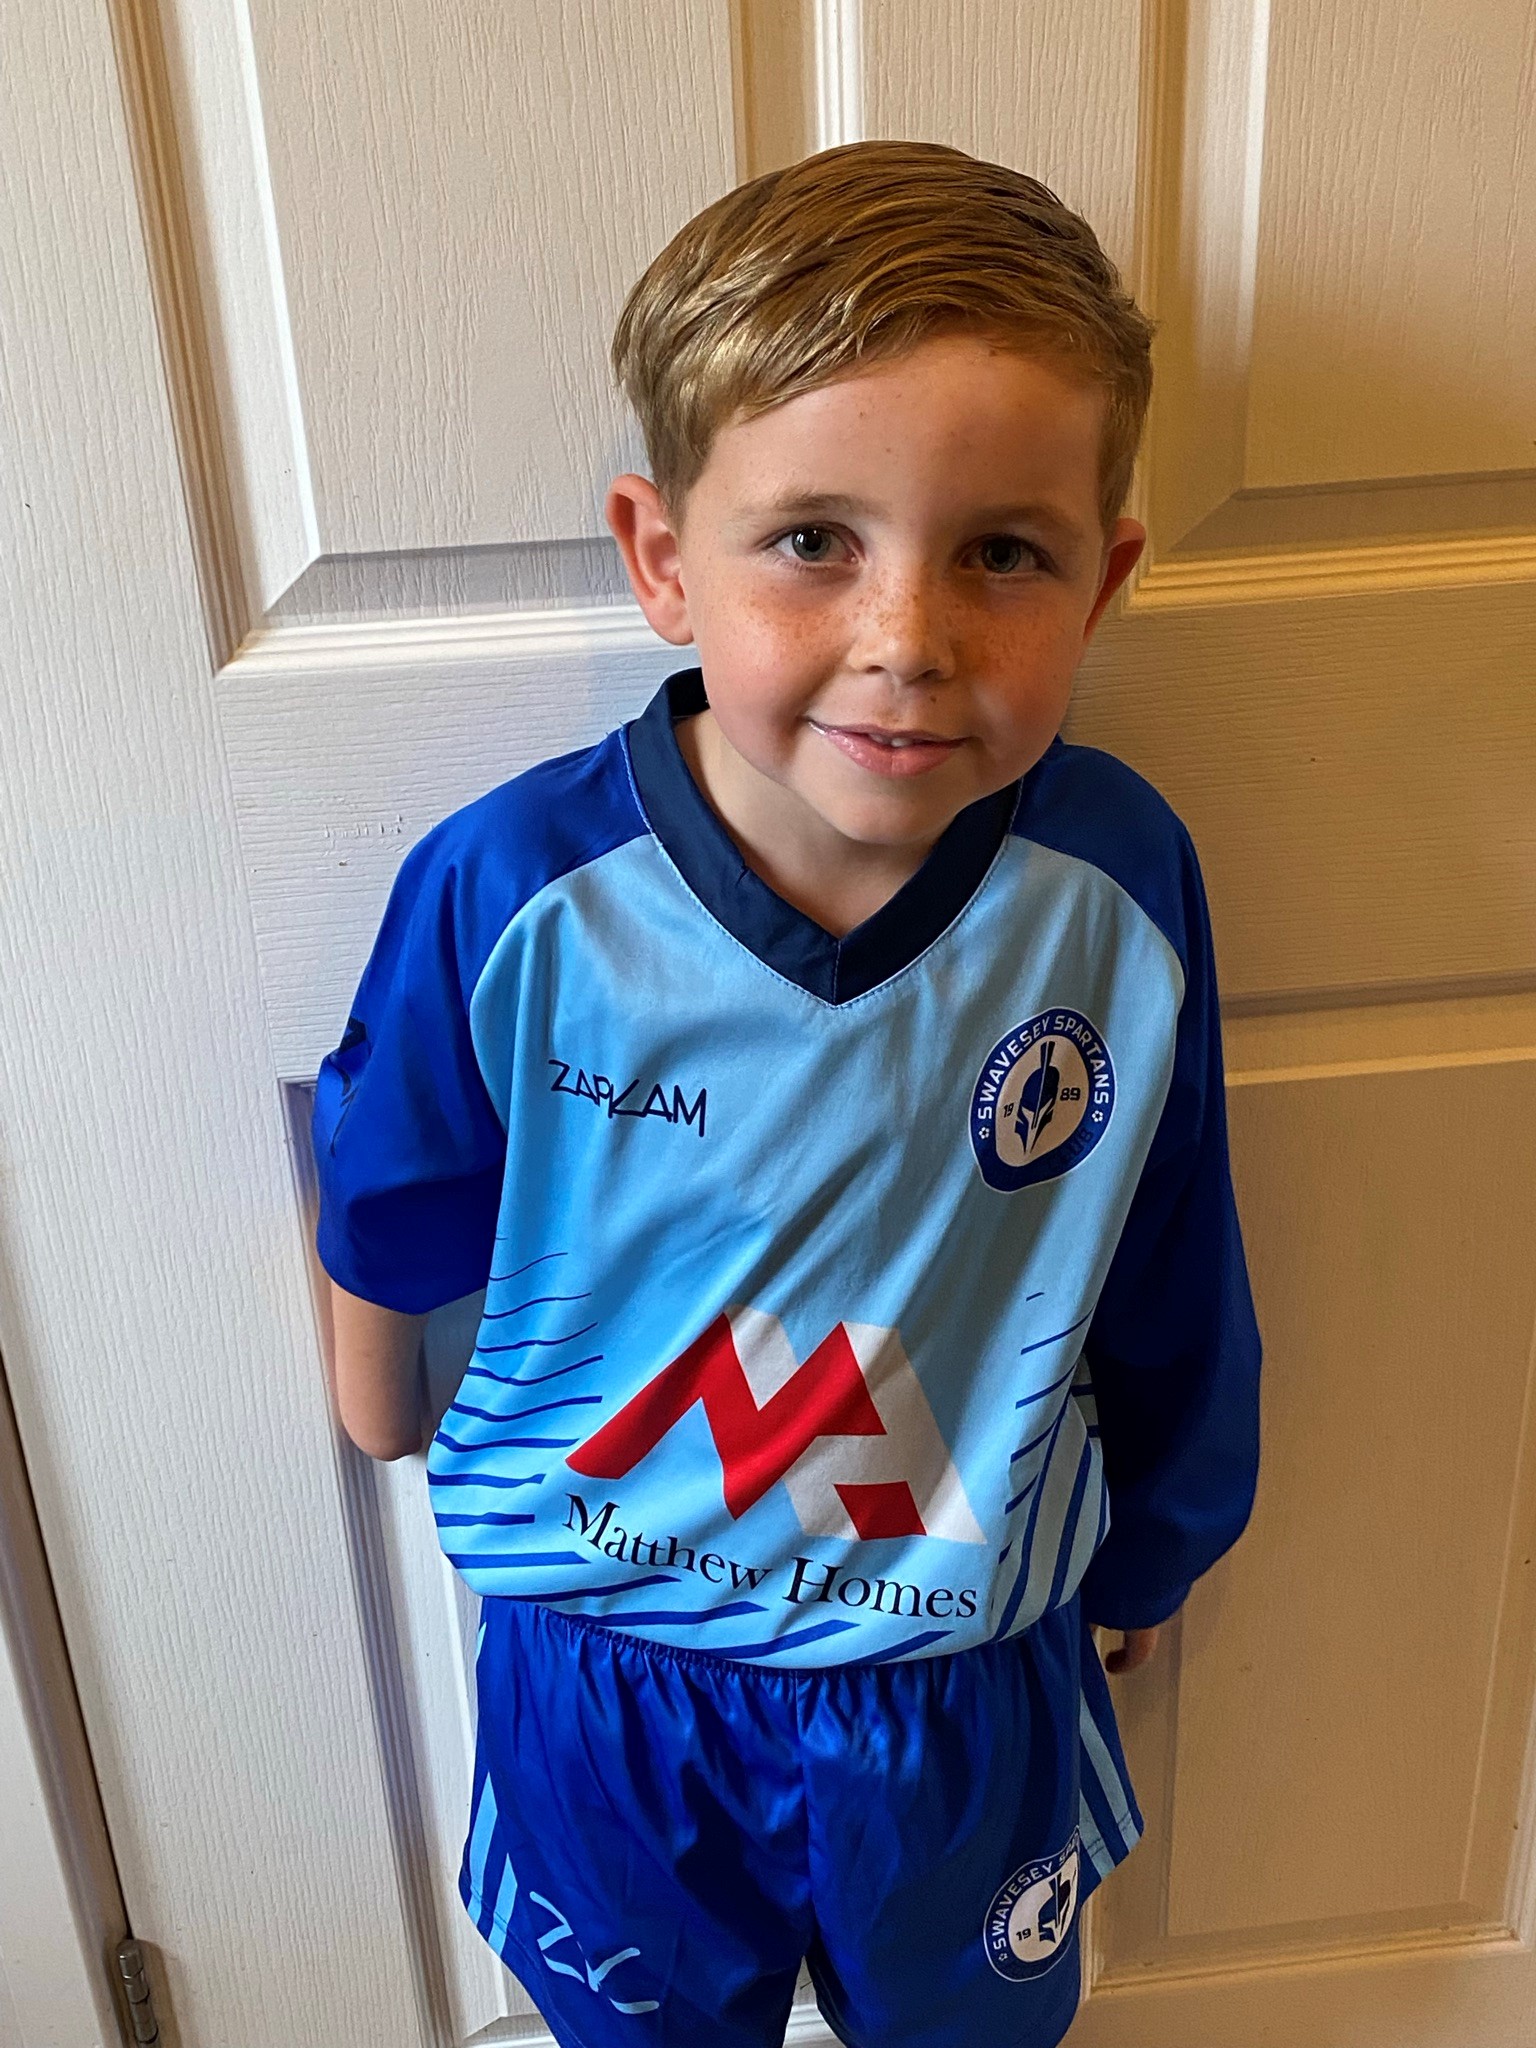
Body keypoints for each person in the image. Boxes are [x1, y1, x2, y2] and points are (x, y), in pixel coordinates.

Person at [313, 139, 1262, 2048]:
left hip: (960, 1673)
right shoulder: (515, 893)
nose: (906, 637)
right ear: (665, 557)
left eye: (1001, 550)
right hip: (612, 1669)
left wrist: (1158, 1534)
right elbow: (394, 1179)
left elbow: (1172, 1239)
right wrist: (375, 1406)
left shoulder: (1118, 886)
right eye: (813, 540)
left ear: (1107, 579)